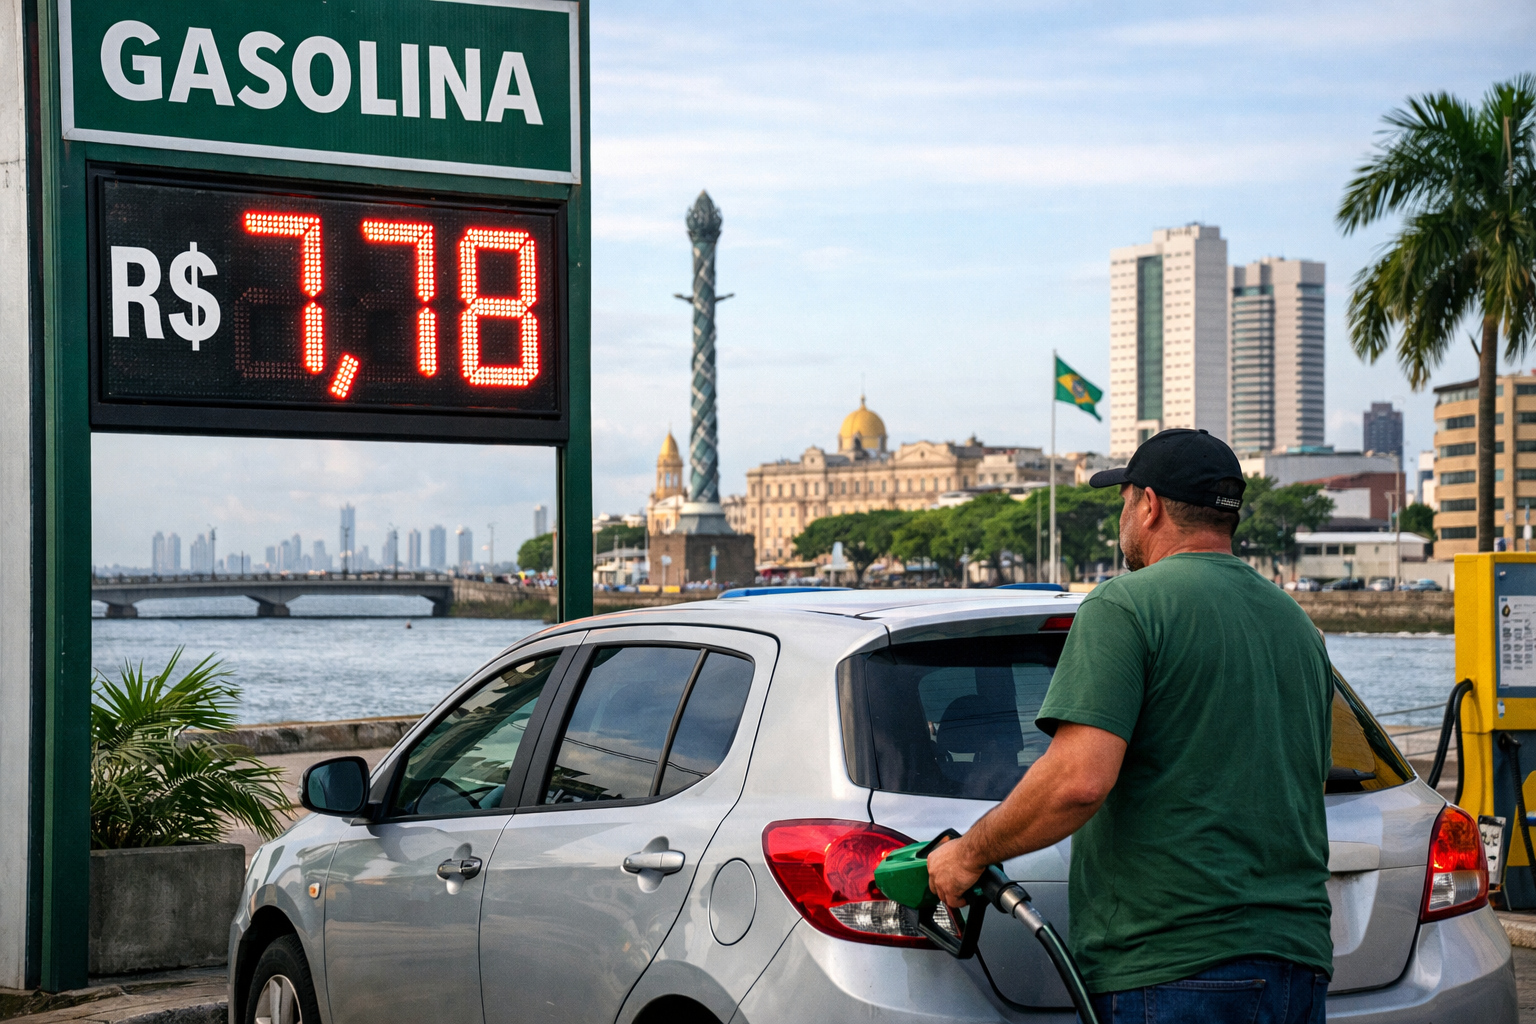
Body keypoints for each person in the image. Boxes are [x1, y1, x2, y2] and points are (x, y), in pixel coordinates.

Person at [925, 428, 1333, 1024]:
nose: (1122, 516)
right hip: (1298, 967)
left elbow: (1077, 782)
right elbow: (1303, 780)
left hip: (1171, 969)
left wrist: (967, 855)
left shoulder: (1125, 607)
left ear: (1149, 505)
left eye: (1123, 500)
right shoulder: (1296, 625)